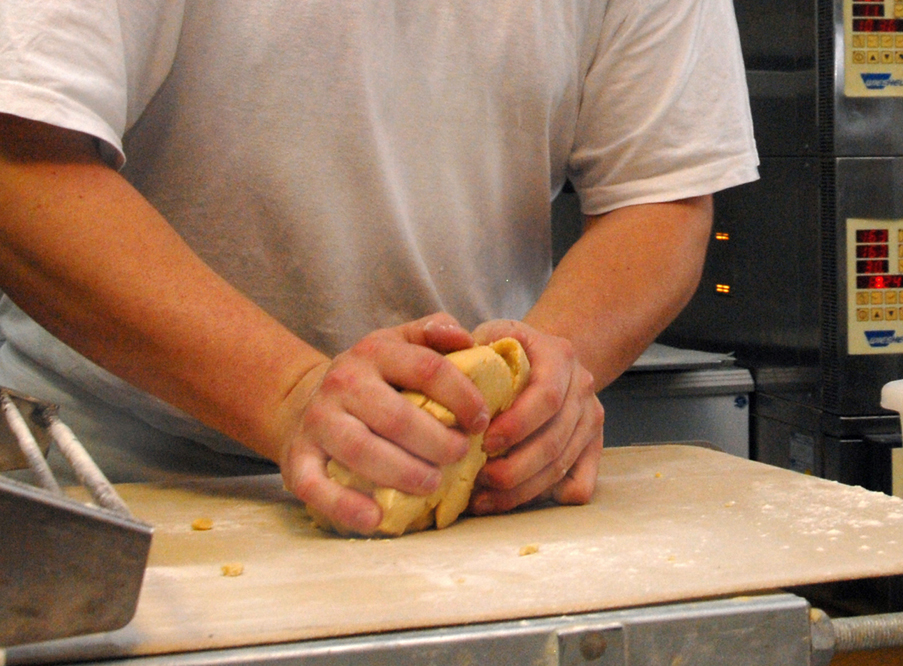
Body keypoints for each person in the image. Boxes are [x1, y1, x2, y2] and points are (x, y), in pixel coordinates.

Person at [0, 1, 758, 534]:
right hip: (114, 488)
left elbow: (659, 200)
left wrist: (542, 379)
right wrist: (290, 393)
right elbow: (22, 169)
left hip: (458, 494)